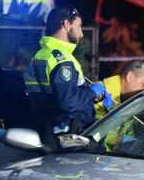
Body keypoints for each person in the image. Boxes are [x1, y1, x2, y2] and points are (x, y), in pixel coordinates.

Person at [24, 7, 105, 135]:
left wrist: (90, 94)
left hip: (51, 127)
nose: (82, 34)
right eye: (79, 26)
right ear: (67, 24)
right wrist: (91, 93)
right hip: (71, 132)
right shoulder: (62, 60)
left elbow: (54, 95)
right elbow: (68, 102)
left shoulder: (40, 54)